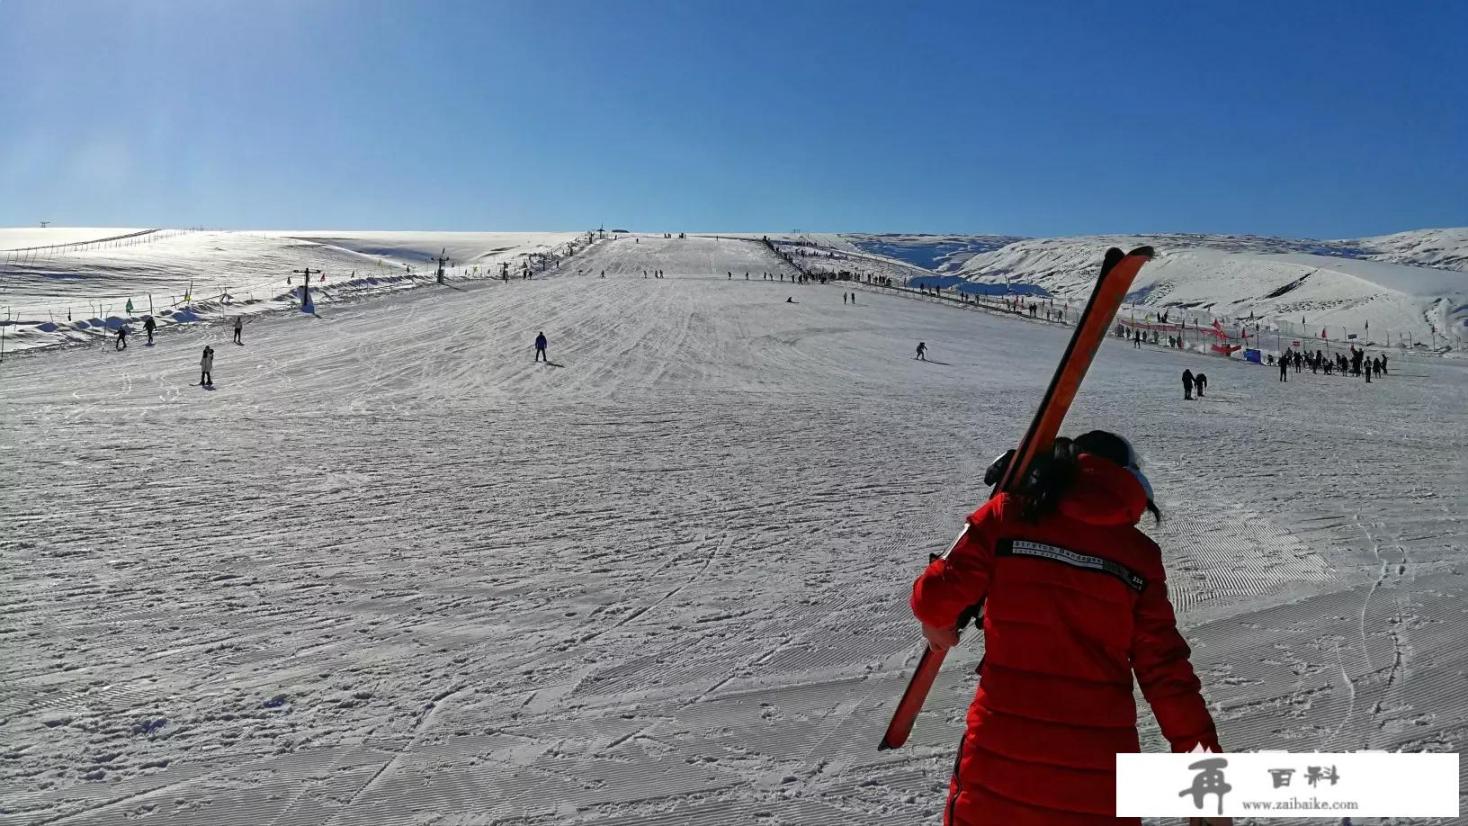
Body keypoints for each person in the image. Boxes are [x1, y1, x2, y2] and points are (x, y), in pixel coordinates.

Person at [910, 431, 1225, 826]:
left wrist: (937, 623)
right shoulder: (1140, 557)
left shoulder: (1007, 515)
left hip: (997, 775)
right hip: (1099, 787)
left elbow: (935, 598)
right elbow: (1168, 676)